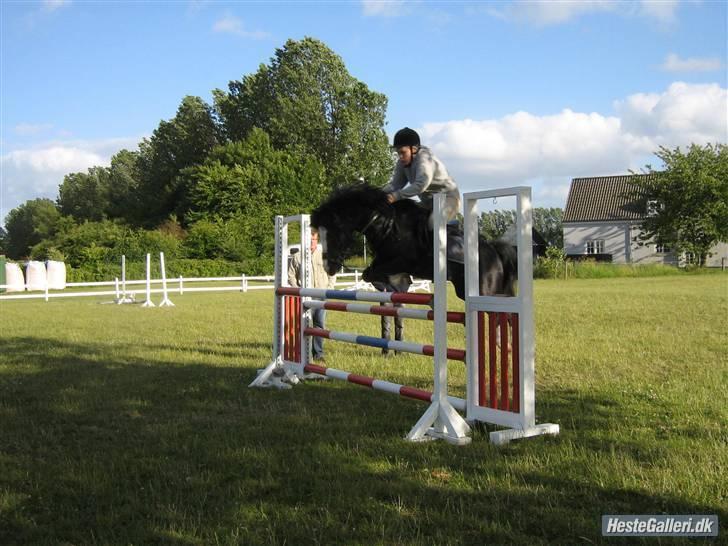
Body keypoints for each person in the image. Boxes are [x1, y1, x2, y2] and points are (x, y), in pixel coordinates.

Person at [382, 127, 461, 229]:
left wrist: (394, 197)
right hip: (427, 203)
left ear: (413, 149)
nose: (400, 156)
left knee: (433, 222)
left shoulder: (425, 159)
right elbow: (395, 185)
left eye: (403, 152)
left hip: (449, 199)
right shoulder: (402, 162)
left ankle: (450, 242)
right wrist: (378, 194)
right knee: (404, 218)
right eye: (398, 153)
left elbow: (420, 185)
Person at [288, 228, 336, 362]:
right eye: (309, 240)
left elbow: (331, 274)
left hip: (321, 295)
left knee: (319, 325)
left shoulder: (323, 256)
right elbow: (291, 276)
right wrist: (298, 290)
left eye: (313, 240)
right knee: (302, 325)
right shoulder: (297, 257)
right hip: (305, 298)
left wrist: (329, 289)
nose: (311, 242)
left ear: (317, 240)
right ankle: (302, 352)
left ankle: (318, 353)